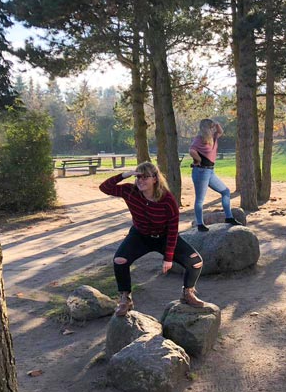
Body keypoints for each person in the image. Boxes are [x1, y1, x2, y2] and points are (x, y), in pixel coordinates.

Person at [100, 162, 207, 315]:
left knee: (196, 262)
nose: (141, 181)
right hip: (140, 236)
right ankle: (125, 298)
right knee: (119, 260)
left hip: (164, 237)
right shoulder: (130, 191)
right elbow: (104, 188)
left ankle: (187, 293)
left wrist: (168, 257)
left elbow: (172, 230)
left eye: (145, 177)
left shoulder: (167, 199)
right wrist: (125, 175)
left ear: (155, 179)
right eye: (138, 177)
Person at [189, 118, 241, 232]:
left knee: (225, 191)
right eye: (211, 127)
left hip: (210, 172)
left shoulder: (214, 137)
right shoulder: (199, 139)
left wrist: (216, 124)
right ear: (206, 128)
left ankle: (229, 217)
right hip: (201, 171)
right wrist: (198, 160)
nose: (213, 129)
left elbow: (221, 131)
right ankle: (200, 224)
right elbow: (192, 151)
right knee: (200, 200)